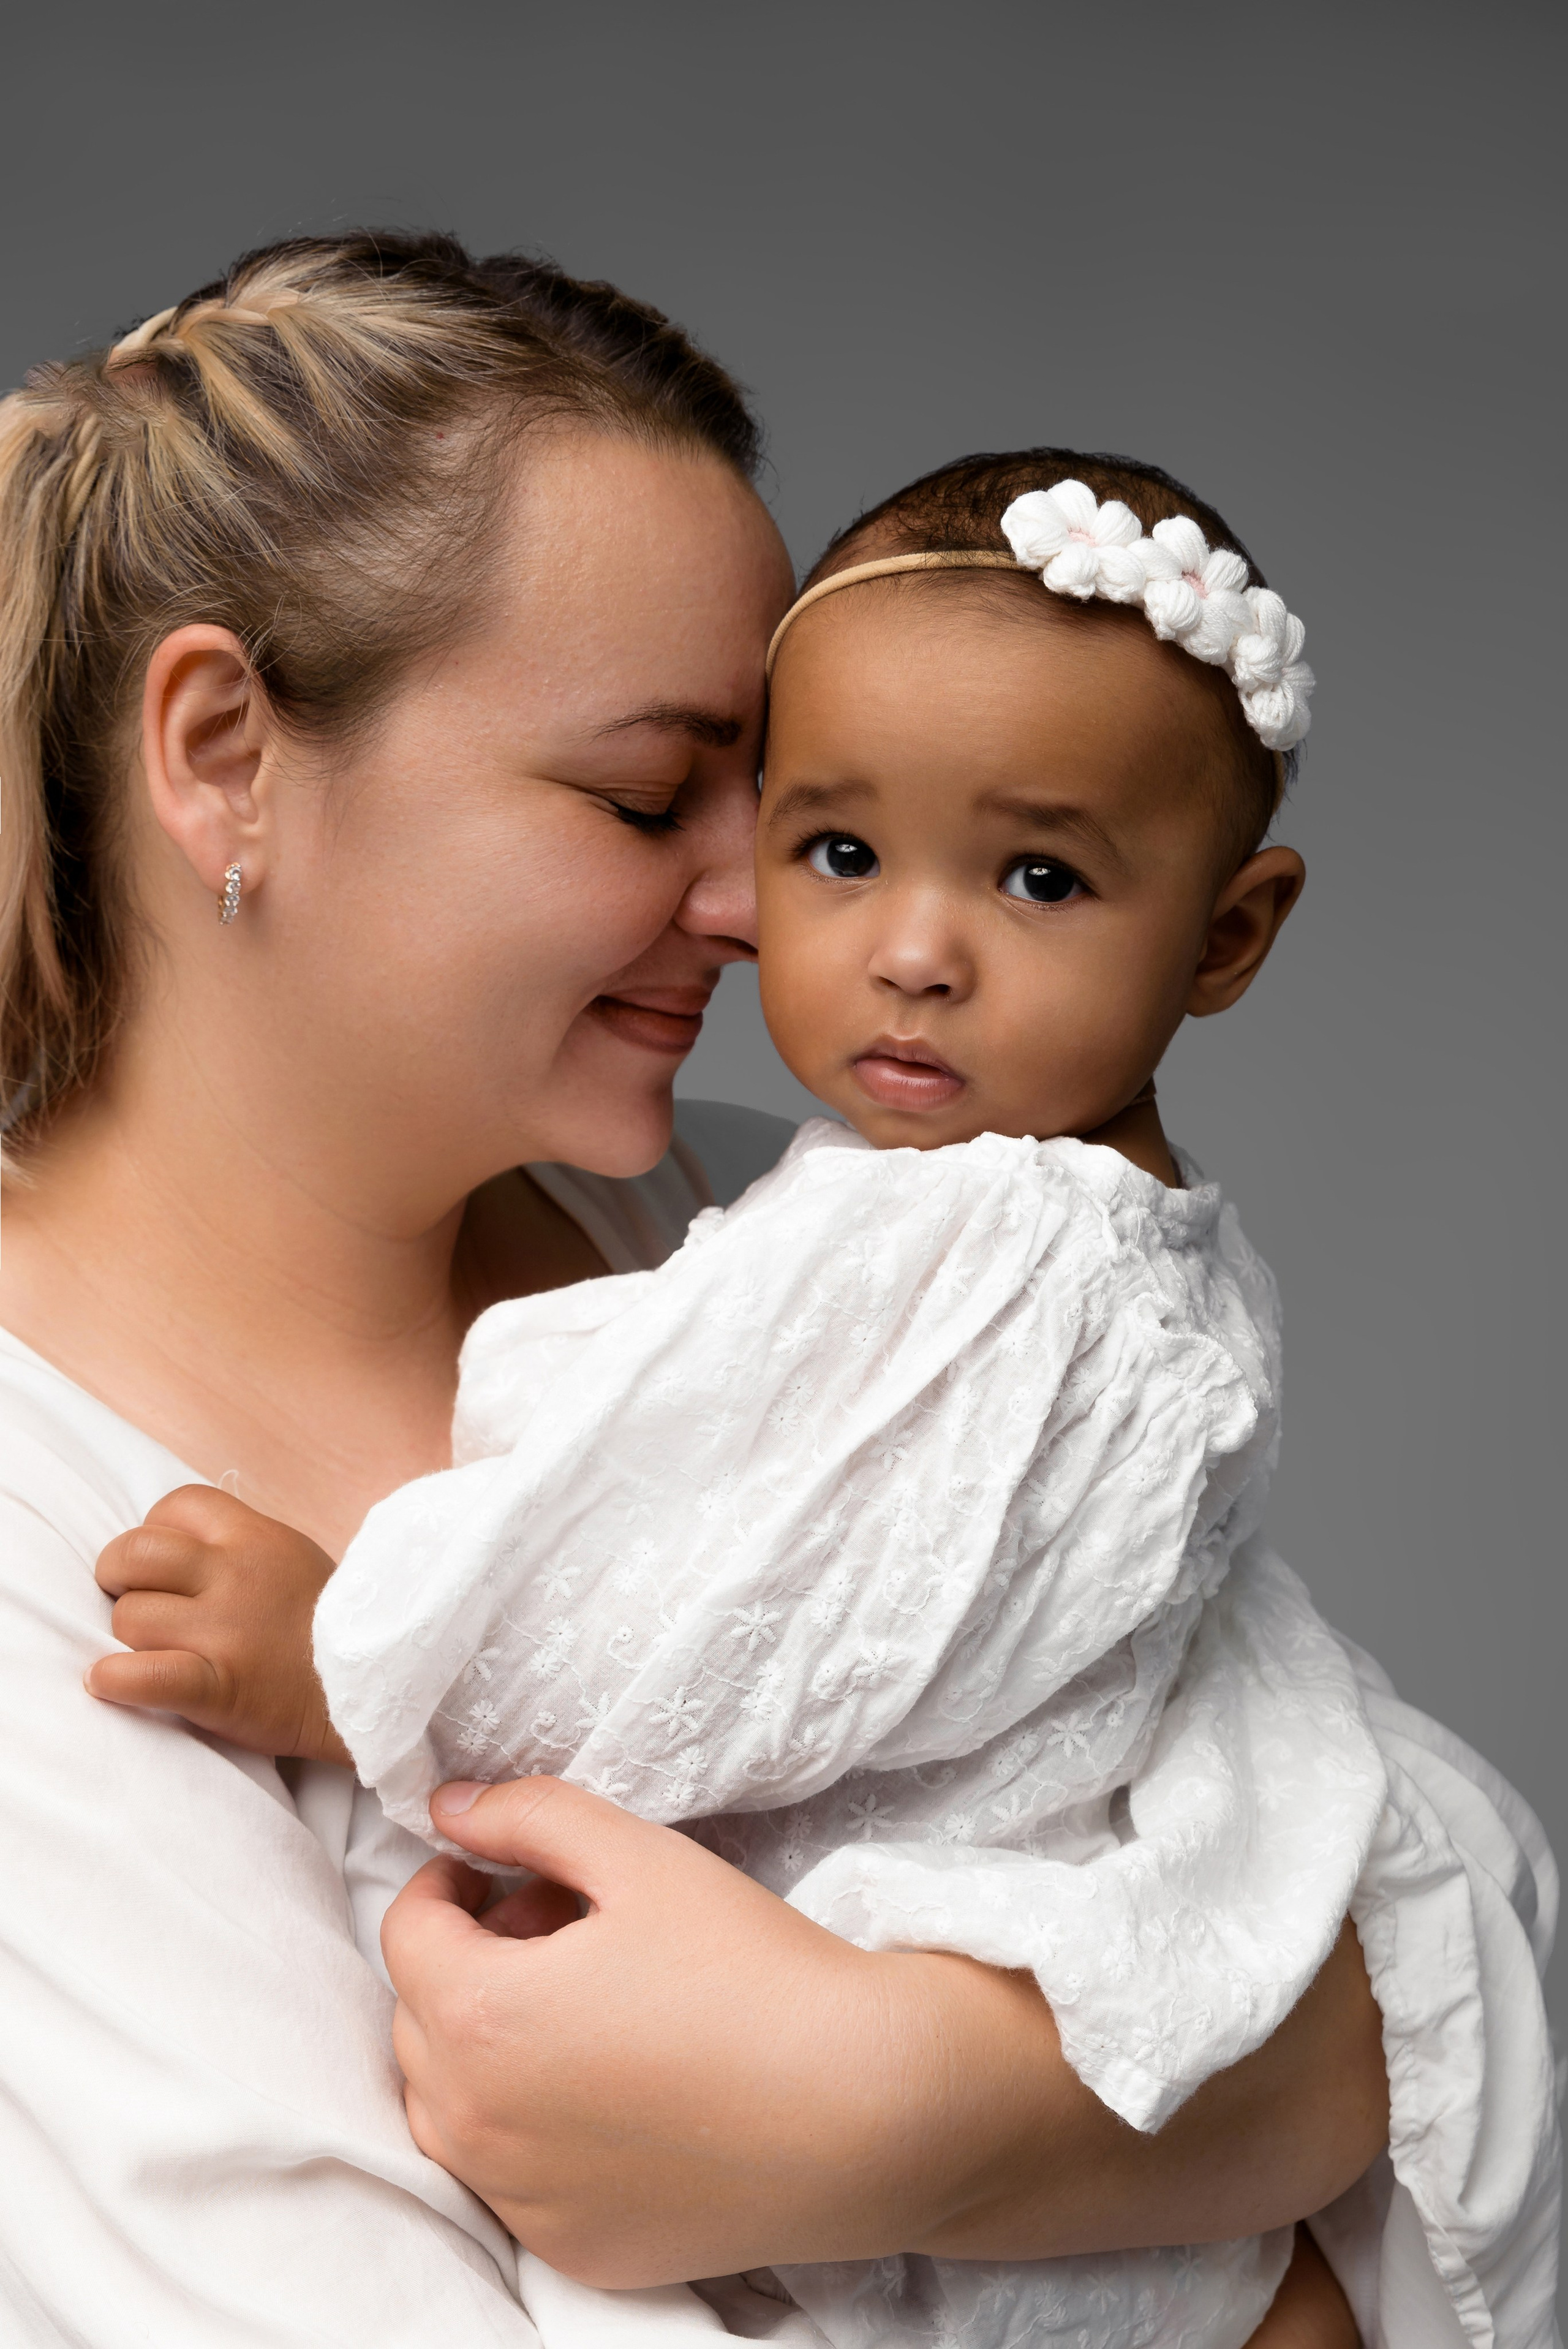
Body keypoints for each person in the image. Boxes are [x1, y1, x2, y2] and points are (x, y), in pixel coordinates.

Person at [0, 230, 1522, 2347]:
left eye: (763, 791)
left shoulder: (780, 1231)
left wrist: (917, 2109)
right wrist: (1153, 2110)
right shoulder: (33, 1532)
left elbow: (1436, 1893)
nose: (751, 902)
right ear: (224, 752)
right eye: (648, 793)